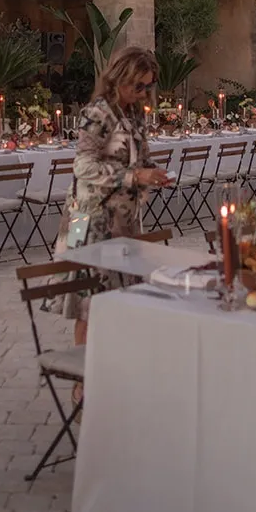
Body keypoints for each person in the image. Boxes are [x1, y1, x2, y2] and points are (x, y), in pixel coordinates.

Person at [55, 45, 170, 346]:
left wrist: (151, 172)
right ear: (120, 78)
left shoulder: (133, 113)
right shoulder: (98, 113)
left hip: (122, 218)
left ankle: (112, 362)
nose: (143, 93)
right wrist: (134, 176)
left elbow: (136, 159)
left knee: (121, 299)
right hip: (88, 217)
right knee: (88, 303)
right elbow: (83, 166)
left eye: (148, 86)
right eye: (138, 86)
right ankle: (83, 370)